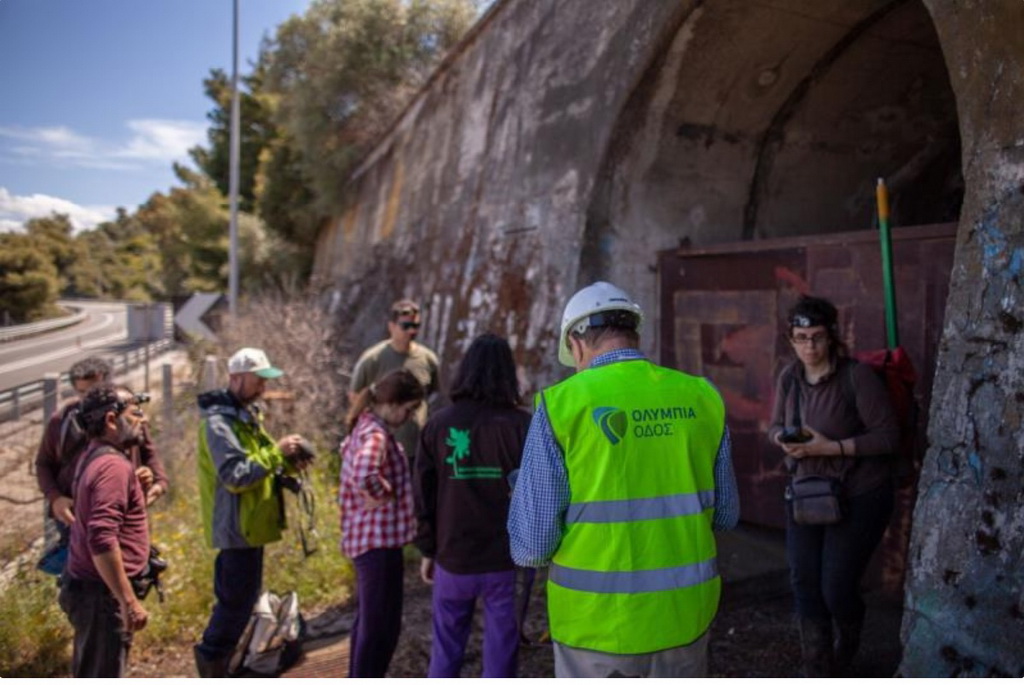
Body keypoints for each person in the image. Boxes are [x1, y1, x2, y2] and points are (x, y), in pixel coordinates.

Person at [508, 281, 740, 677]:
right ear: (634, 332)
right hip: (684, 617)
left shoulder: (561, 405)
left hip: (596, 625)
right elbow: (726, 515)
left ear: (576, 343)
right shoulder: (702, 397)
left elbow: (531, 546)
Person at [767, 295, 899, 677]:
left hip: (859, 494)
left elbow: (888, 437)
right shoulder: (789, 377)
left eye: (817, 337)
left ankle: (849, 642)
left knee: (836, 587)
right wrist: (784, 440)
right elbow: (775, 425)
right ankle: (819, 665)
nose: (810, 346)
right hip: (808, 492)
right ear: (791, 340)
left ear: (832, 337)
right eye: (801, 337)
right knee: (804, 580)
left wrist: (831, 447)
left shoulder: (856, 378)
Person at [413, 333, 531, 677]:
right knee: (501, 651)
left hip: (452, 557)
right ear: (508, 373)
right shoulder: (522, 425)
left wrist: (428, 549)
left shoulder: (438, 424)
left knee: (446, 649)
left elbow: (423, 493)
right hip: (504, 559)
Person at [193, 347, 312, 677]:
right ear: (235, 379)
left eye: (265, 380)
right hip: (236, 528)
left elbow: (260, 465)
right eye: (257, 380)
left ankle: (226, 666)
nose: (263, 387)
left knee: (241, 602)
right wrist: (277, 451)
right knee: (234, 605)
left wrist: (287, 467)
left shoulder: (246, 418)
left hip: (251, 527)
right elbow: (235, 476)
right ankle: (213, 667)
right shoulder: (219, 425)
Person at [36, 356, 167, 572]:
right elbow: (43, 464)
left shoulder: (128, 416)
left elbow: (148, 453)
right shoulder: (62, 421)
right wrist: (56, 498)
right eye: (82, 393)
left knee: (129, 566)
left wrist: (158, 483)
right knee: (85, 575)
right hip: (75, 514)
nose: (89, 398)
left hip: (121, 509)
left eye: (95, 390)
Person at [58, 383, 152, 677]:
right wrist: (128, 601)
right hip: (100, 596)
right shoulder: (112, 467)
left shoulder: (96, 455)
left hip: (94, 592)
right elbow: (100, 538)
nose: (143, 419)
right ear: (111, 420)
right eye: (135, 412)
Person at [339, 368, 426, 678]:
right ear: (392, 403)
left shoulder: (364, 426)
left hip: (369, 542)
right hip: (377, 543)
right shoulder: (376, 435)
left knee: (368, 623)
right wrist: (384, 493)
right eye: (409, 408)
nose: (409, 416)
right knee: (380, 628)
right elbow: (364, 473)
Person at [348, 299, 440, 460]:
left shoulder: (428, 359)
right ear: (391, 326)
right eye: (405, 326)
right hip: (382, 448)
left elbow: (430, 394)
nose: (411, 331)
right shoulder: (373, 359)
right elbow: (356, 395)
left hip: (415, 449)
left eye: (416, 326)